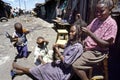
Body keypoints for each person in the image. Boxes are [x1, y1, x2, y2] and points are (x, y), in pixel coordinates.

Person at [10, 20, 87, 80]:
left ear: (79, 33)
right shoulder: (72, 41)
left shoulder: (77, 47)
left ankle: (19, 67)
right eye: (69, 31)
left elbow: (66, 63)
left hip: (64, 72)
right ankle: (19, 71)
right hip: (60, 65)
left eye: (72, 32)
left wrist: (57, 51)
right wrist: (59, 45)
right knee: (43, 67)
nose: (70, 33)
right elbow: (66, 46)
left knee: (42, 69)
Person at [72, 0, 118, 80]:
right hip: (87, 46)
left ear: (109, 10)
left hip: (97, 51)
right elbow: (87, 29)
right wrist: (80, 21)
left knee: (75, 66)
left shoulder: (112, 24)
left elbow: (105, 45)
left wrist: (90, 34)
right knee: (70, 56)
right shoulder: (96, 20)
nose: (98, 14)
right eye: (97, 11)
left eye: (102, 11)